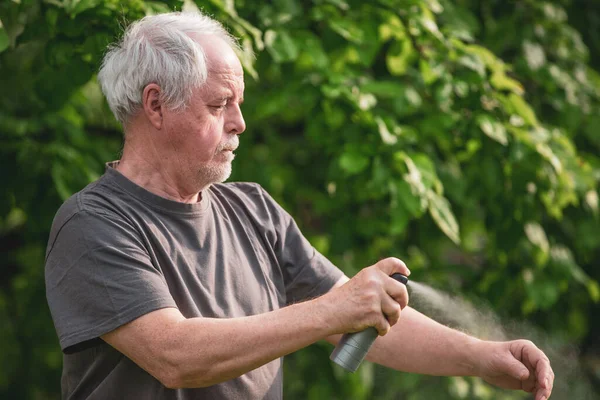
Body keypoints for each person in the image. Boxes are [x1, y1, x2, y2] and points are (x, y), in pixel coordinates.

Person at [44, 11, 554, 400]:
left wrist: (483, 357)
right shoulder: (94, 225)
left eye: (239, 104)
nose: (240, 123)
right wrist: (334, 310)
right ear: (155, 105)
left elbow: (361, 321)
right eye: (220, 105)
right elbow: (175, 355)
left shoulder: (252, 210)